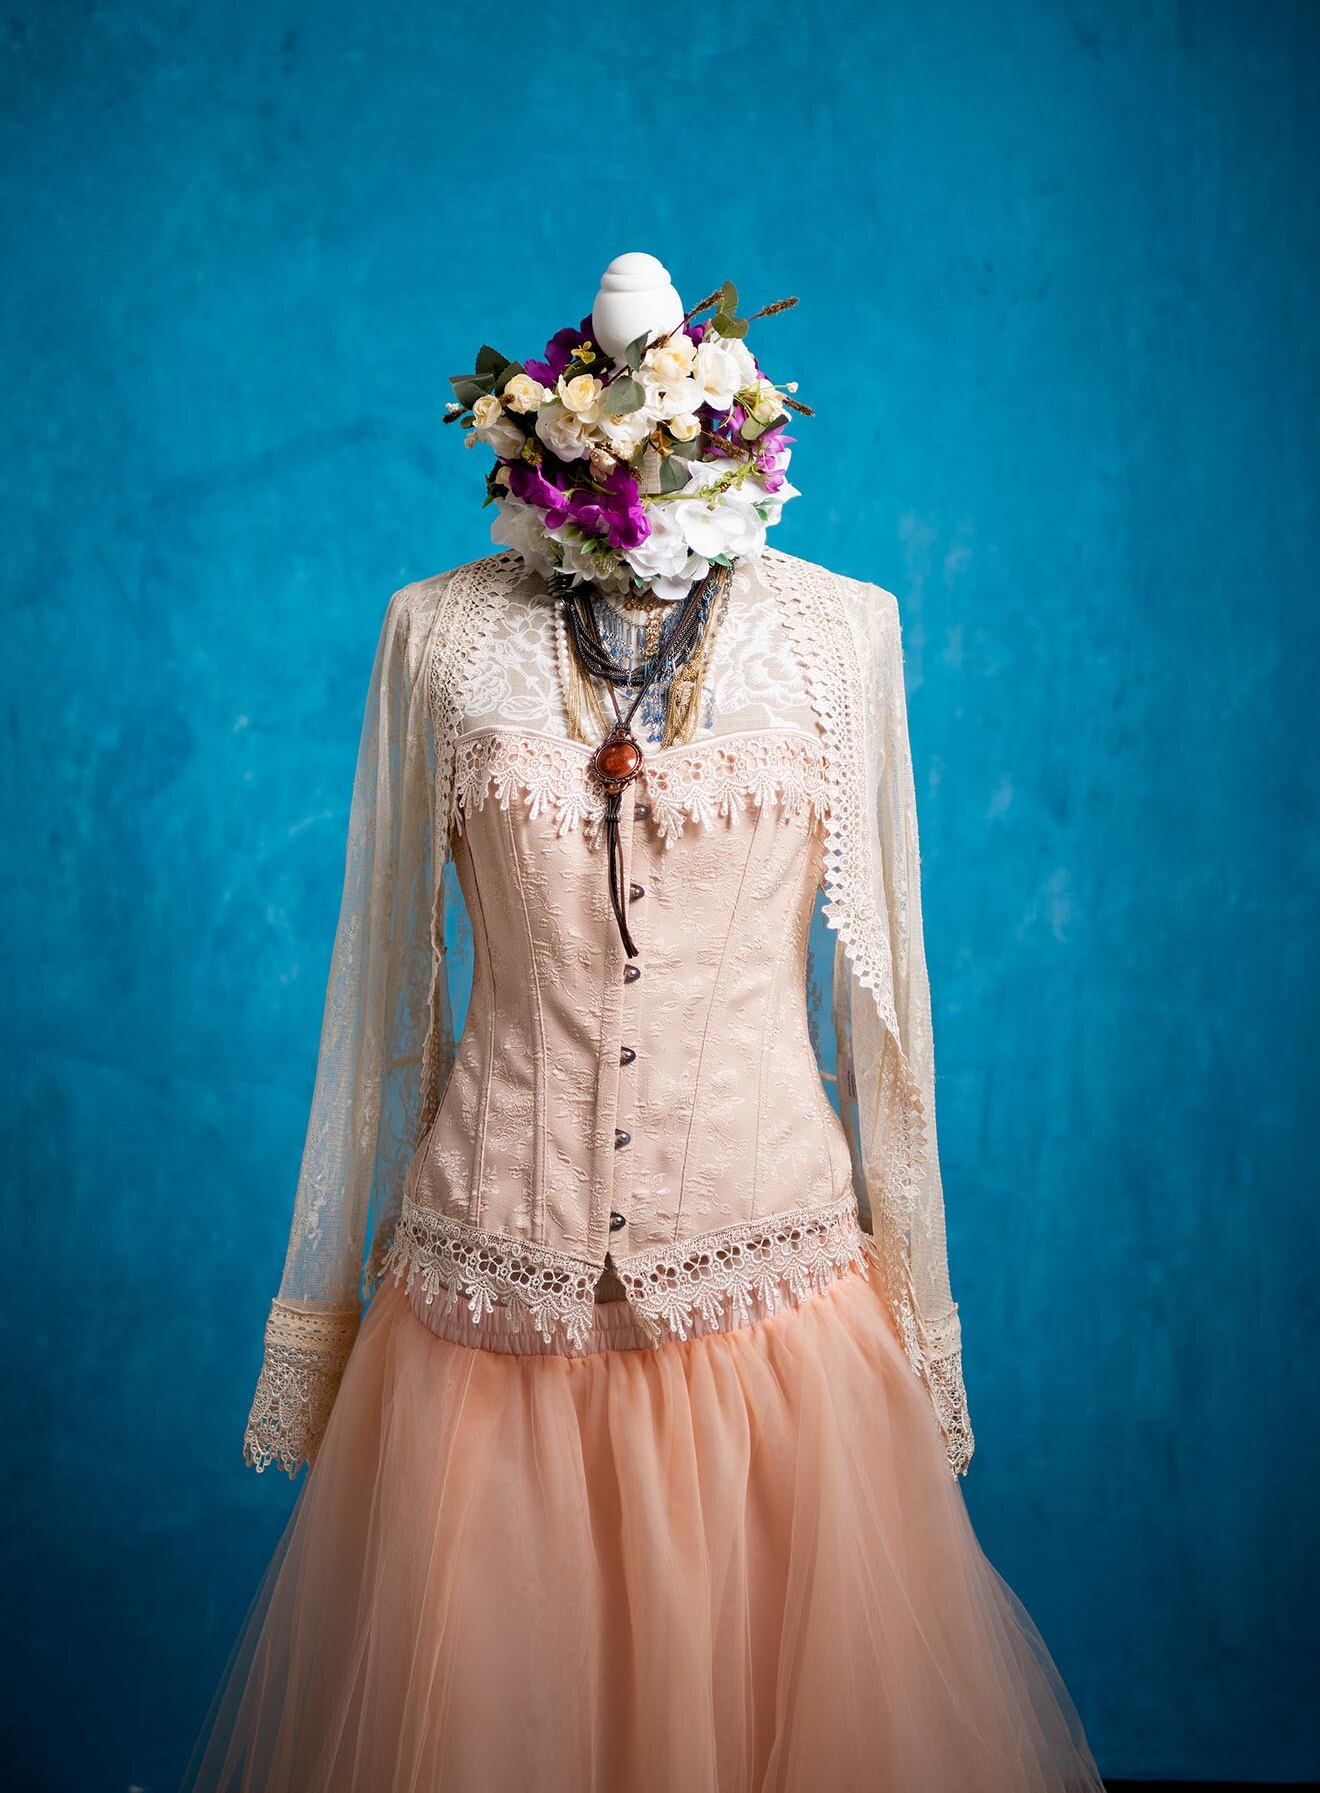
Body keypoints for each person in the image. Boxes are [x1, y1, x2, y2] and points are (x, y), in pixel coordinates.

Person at [183, 256, 1105, 1792]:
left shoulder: (844, 634)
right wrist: (323, 1309)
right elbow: (382, 998)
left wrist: (924, 1311)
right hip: (486, 1301)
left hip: (768, 1287)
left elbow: (886, 1015)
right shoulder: (435, 633)